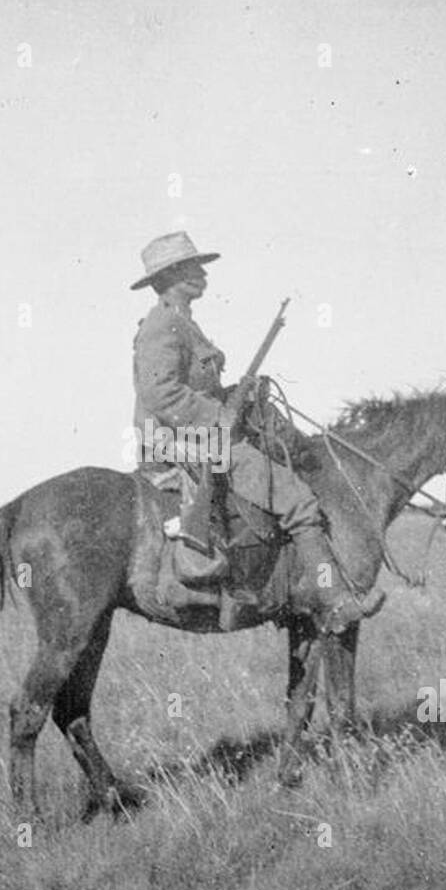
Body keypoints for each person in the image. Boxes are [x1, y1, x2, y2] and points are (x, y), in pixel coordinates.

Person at [131, 231, 360, 633]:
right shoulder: (161, 325)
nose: (202, 273)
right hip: (178, 440)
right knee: (297, 500)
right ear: (166, 278)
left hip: (198, 434)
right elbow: (159, 393)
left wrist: (237, 394)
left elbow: (191, 387)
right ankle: (335, 600)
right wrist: (221, 414)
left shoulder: (183, 322)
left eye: (199, 266)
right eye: (190, 268)